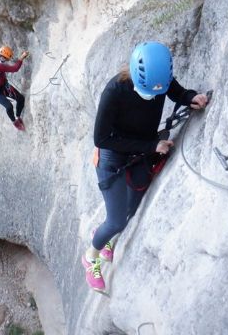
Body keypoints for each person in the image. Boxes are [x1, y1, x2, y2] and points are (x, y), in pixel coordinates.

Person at [82, 41, 208, 292]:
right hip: (112, 156)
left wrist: (191, 97)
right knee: (117, 221)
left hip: (141, 149)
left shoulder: (158, 79)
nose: (152, 95)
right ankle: (90, 257)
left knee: (131, 207)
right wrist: (152, 146)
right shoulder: (115, 92)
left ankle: (106, 237)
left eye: (156, 91)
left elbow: (176, 91)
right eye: (148, 91)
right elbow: (102, 139)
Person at [0, 45, 29, 130]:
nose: (7, 61)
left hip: (4, 86)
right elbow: (15, 68)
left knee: (20, 98)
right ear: (3, 58)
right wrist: (22, 57)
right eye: (7, 59)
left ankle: (18, 116)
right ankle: (14, 121)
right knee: (9, 106)